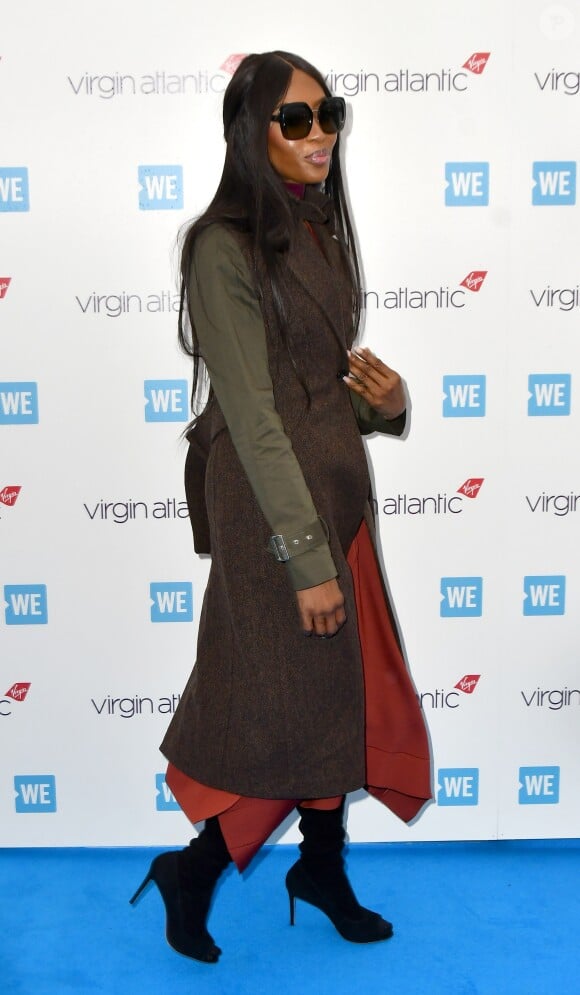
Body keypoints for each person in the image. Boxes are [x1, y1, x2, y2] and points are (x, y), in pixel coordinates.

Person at [130, 50, 431, 964]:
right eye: (295, 120)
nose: (320, 134)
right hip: (271, 512)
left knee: (331, 695)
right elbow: (255, 416)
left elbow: (310, 390)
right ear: (250, 132)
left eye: (328, 113)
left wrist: (382, 403)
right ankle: (193, 870)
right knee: (273, 710)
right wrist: (304, 558)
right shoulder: (218, 245)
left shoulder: (318, 229)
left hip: (333, 489)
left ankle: (322, 867)